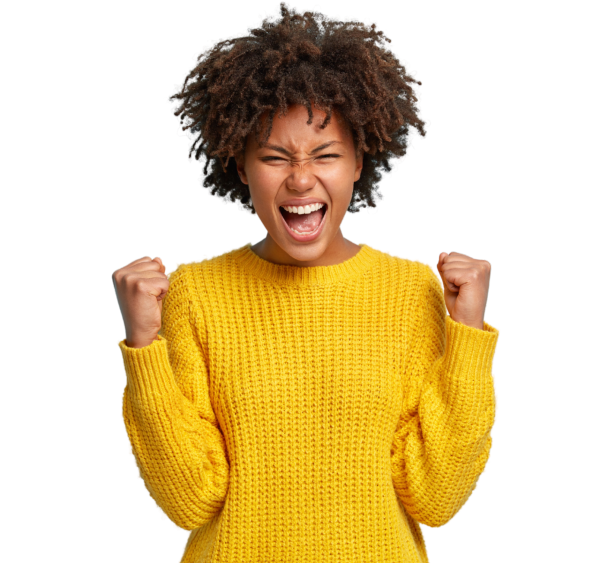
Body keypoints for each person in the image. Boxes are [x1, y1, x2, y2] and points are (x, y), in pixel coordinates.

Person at [113, 3, 500, 562]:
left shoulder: (416, 291)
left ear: (360, 161)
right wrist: (144, 346)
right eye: (274, 157)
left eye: (326, 155)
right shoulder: (192, 294)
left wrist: (467, 336)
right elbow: (190, 502)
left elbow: (435, 500)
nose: (300, 178)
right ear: (240, 165)